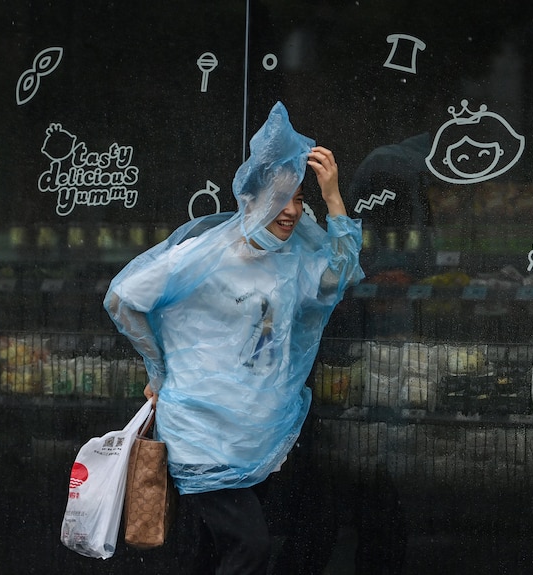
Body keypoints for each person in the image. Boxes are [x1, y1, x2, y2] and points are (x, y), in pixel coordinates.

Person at [104, 101, 364, 574]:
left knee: (213, 553)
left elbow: (337, 278)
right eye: (279, 199)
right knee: (250, 548)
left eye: (298, 199)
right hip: (200, 433)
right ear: (250, 199)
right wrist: (159, 371)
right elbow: (123, 298)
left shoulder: (289, 260)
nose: (290, 211)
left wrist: (332, 198)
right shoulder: (205, 255)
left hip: (257, 434)